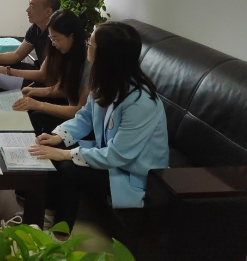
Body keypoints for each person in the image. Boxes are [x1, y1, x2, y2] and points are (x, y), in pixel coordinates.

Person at [29, 21, 169, 238]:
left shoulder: (141, 102)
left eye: (90, 43)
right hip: (112, 158)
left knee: (69, 168)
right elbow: (85, 117)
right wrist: (58, 137)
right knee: (52, 153)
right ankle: (47, 216)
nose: (87, 44)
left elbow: (118, 155)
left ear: (106, 55)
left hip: (134, 173)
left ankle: (60, 236)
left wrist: (65, 153)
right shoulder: (105, 81)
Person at [4, 9, 91, 134]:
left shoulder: (89, 63)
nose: (53, 44)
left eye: (56, 39)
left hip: (82, 120)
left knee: (37, 116)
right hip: (72, 107)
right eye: (51, 38)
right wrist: (33, 91)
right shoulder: (66, 53)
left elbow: (79, 111)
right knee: (30, 104)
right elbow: (63, 89)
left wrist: (38, 104)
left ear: (72, 37)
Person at [0, 0, 61, 81]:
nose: (27, 10)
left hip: (50, 80)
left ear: (48, 12)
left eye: (32, 6)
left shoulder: (58, 35)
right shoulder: (35, 28)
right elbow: (17, 55)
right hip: (39, 70)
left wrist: (8, 71)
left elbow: (44, 75)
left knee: (4, 74)